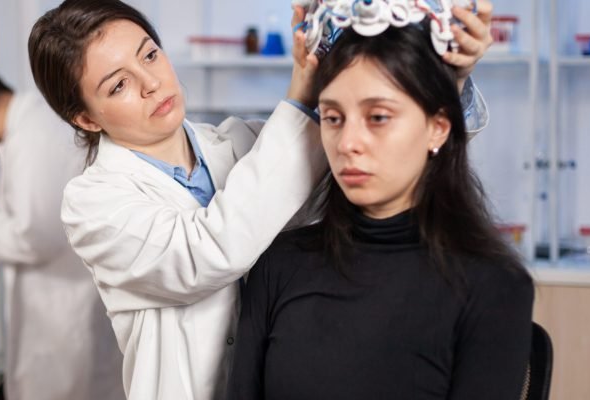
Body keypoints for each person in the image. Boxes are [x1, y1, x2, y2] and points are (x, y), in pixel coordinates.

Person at [27, 1, 494, 398]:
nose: (151, 82)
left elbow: (380, 173)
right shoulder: (92, 203)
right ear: (86, 118)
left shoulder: (241, 144)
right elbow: (208, 252)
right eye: (118, 85)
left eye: (149, 55)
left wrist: (449, 78)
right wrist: (300, 93)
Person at [227, 23, 534, 400]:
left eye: (378, 118)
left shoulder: (495, 285)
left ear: (438, 128)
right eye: (333, 118)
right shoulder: (278, 264)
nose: (348, 143)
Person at [0, 68, 125, 400]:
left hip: (64, 318)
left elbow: (36, 238)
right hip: (65, 310)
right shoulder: (32, 125)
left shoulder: (32, 137)